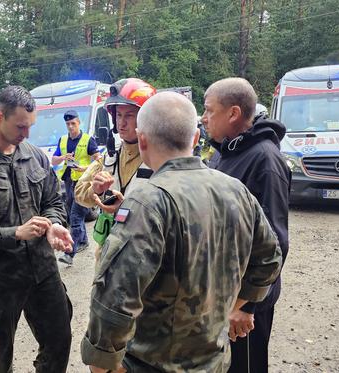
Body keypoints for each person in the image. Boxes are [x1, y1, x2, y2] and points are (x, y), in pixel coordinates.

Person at [81, 91, 283, 373]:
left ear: (142, 139)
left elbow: (115, 296)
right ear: (196, 136)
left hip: (153, 364)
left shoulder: (148, 201)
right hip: (214, 362)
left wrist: (102, 365)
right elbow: (270, 259)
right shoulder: (236, 190)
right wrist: (232, 307)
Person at [0, 85, 74, 373]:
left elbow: (53, 200)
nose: (27, 134)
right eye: (21, 127)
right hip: (0, 279)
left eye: (30, 126)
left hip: (43, 270)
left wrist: (53, 225)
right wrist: (15, 233)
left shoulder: (35, 155)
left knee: (59, 340)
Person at [204, 78, 291, 373]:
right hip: (222, 294)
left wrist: (246, 305)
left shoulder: (265, 160)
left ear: (233, 113)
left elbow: (275, 243)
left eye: (209, 110)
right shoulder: (222, 153)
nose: (203, 118)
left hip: (247, 302)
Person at [73, 78, 156, 254]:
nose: (121, 122)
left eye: (129, 116)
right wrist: (95, 191)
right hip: (109, 252)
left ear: (146, 118)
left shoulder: (159, 157)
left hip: (146, 252)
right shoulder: (109, 155)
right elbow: (79, 193)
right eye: (118, 115)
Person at [51, 109, 101, 265]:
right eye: (68, 124)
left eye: (73, 123)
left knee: (75, 217)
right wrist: (62, 157)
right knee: (74, 213)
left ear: (79, 123)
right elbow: (54, 161)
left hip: (83, 184)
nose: (70, 126)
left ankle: (70, 252)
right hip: (68, 183)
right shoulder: (63, 140)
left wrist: (84, 169)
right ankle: (84, 241)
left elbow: (99, 161)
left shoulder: (88, 140)